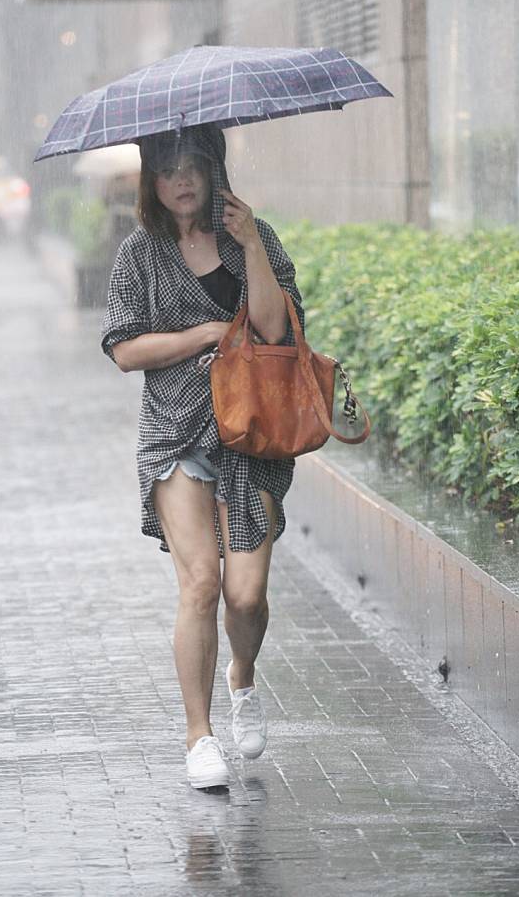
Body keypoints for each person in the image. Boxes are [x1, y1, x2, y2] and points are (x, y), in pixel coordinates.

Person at [100, 123, 303, 790]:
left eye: (193, 166)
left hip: (251, 437)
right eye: (167, 169)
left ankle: (242, 678)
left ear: (215, 170)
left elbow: (278, 331)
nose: (181, 180)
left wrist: (250, 248)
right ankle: (198, 737)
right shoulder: (140, 253)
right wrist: (205, 334)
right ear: (151, 181)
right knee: (201, 585)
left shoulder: (257, 237)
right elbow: (125, 349)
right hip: (177, 433)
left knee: (246, 595)